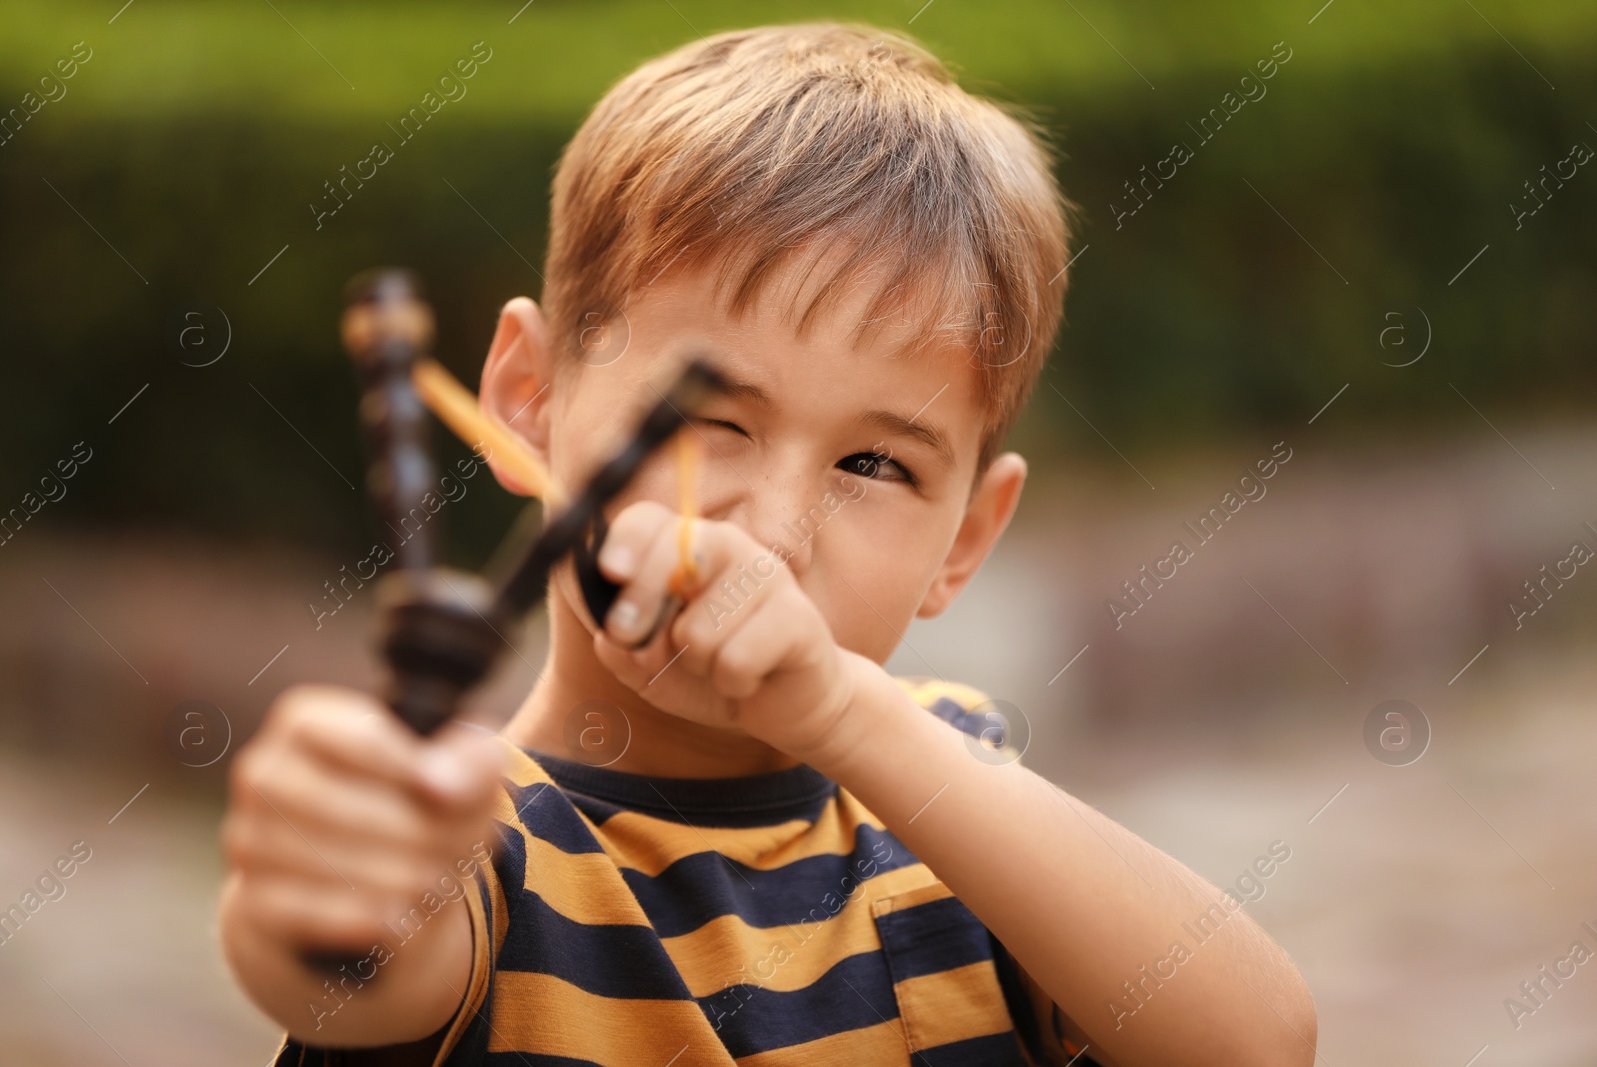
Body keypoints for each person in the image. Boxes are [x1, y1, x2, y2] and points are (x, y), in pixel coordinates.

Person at [219, 22, 1317, 1066]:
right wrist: (327, 882)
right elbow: (360, 956)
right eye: (704, 419)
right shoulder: (485, 861)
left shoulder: (951, 793)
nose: (772, 532)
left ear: (965, 538)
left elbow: (1259, 1042)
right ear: (527, 398)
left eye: (875, 465)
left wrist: (843, 712)